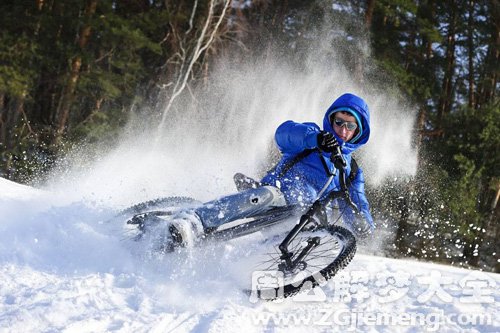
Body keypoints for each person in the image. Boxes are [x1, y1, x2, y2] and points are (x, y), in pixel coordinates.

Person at [168, 93, 374, 246]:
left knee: (313, 241)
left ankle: (255, 275)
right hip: (280, 195)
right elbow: (284, 135)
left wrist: (364, 226)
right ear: (331, 120)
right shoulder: (312, 136)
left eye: (350, 126)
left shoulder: (352, 171)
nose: (343, 130)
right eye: (339, 122)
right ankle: (194, 220)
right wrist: (315, 140)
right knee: (264, 196)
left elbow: (356, 202)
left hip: (306, 218)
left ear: (359, 131)